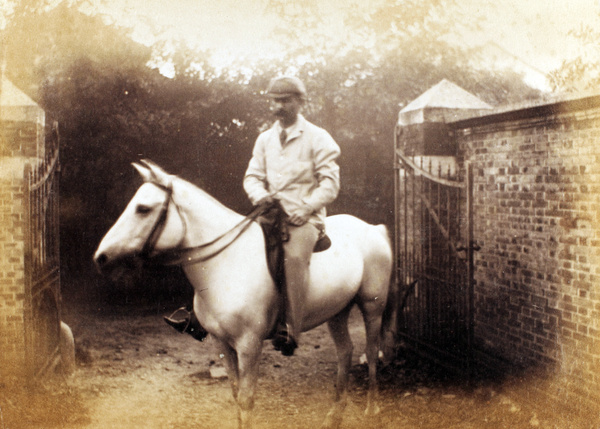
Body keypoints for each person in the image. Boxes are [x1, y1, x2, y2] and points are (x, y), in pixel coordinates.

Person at [243, 76, 341, 356]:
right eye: (274, 100)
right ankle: (202, 319)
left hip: (304, 218)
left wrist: (306, 208)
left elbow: (330, 184)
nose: (278, 106)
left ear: (300, 101)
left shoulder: (318, 138)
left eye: (285, 100)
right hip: (271, 214)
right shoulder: (264, 140)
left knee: (294, 257)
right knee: (237, 245)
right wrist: (260, 196)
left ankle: (290, 329)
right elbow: (252, 177)